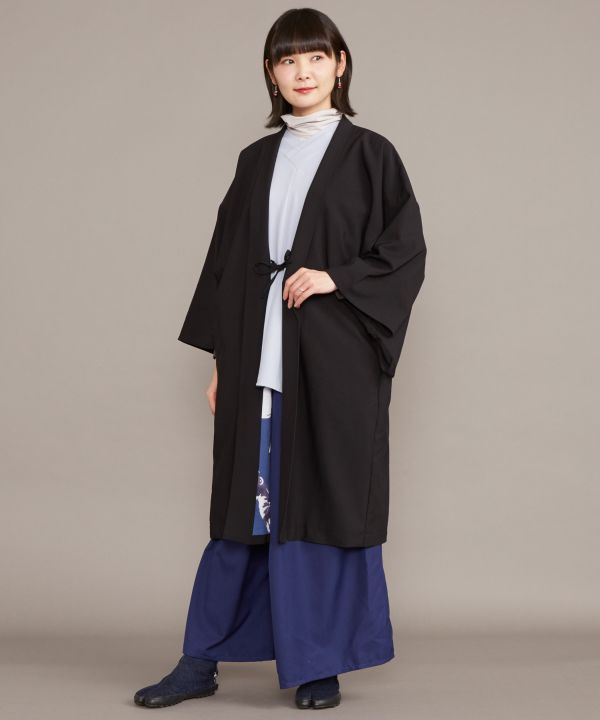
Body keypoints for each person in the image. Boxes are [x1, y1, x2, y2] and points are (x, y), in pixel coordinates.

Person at [133, 7, 426, 711]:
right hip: (255, 358)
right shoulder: (255, 160)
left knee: (321, 504)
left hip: (333, 360)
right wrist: (221, 363)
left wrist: (335, 278)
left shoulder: (371, 155)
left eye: (316, 57)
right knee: (245, 506)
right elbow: (225, 264)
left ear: (340, 65)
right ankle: (199, 660)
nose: (303, 72)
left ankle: (318, 661)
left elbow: (404, 251)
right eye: (288, 60)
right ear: (271, 73)